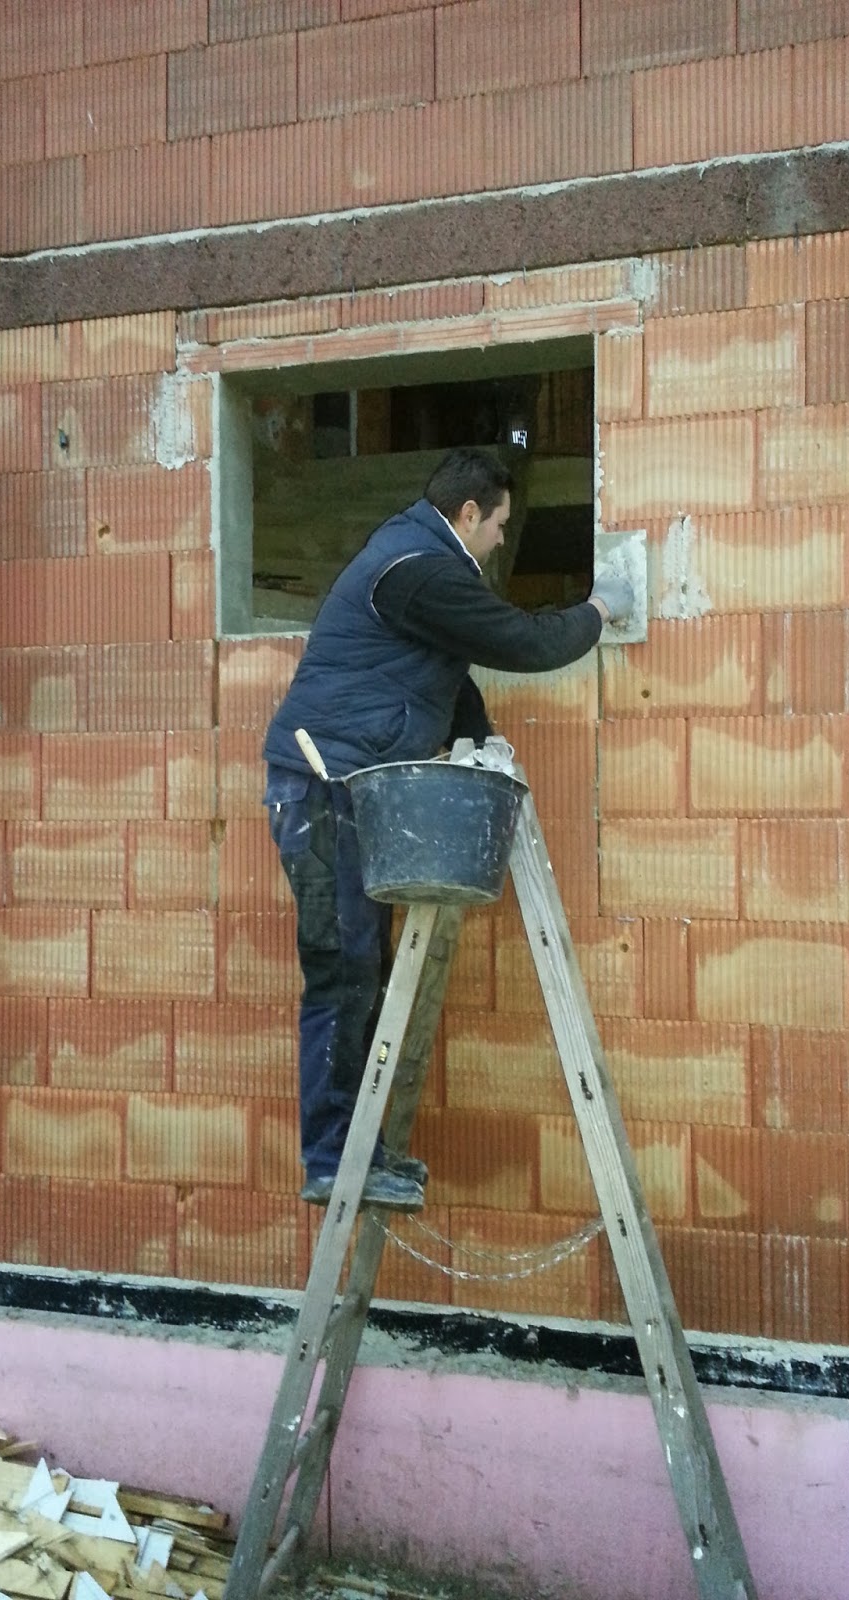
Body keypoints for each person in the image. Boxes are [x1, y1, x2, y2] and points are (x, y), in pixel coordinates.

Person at [262, 446, 635, 1212]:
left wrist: (477, 738)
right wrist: (601, 611)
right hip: (322, 785)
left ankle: (359, 1153)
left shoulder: (418, 563)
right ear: (469, 514)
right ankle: (334, 1160)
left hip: (345, 786)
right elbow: (525, 644)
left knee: (364, 968)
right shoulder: (418, 568)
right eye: (499, 524)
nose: (502, 540)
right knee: (344, 969)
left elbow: (448, 672)